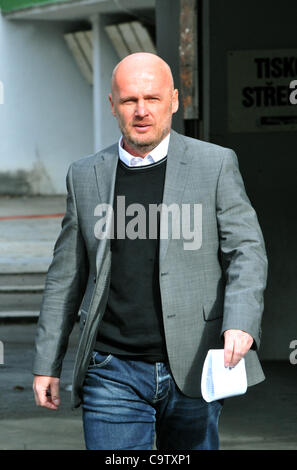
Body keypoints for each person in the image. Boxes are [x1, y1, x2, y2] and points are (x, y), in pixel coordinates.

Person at [32, 52, 268, 450]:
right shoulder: (85, 174)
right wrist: (46, 364)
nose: (141, 111)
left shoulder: (215, 164)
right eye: (129, 100)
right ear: (113, 105)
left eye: (153, 99)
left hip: (195, 364)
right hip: (111, 370)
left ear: (174, 100)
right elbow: (65, 276)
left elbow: (246, 249)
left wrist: (241, 320)